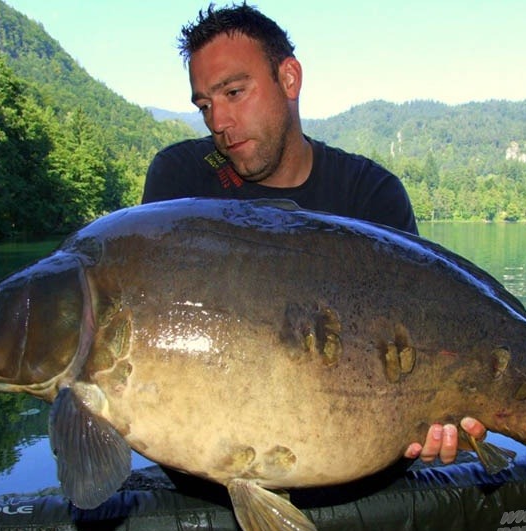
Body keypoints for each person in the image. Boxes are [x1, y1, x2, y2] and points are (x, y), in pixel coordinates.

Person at [142, 3, 486, 464]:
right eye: (205, 104)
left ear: (289, 79)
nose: (218, 122)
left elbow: (419, 336)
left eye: (235, 92)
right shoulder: (180, 183)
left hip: (359, 466)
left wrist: (445, 415)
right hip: (216, 473)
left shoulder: (371, 194)